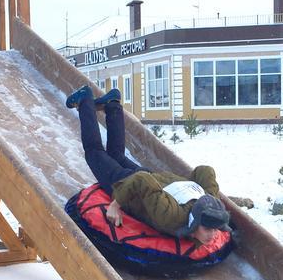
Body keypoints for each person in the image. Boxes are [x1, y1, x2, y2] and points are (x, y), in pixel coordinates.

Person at [65, 85, 230, 244]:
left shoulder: (208, 202)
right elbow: (141, 180)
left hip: (156, 180)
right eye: (208, 229)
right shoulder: (171, 217)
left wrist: (213, 202)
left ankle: (112, 105)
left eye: (215, 229)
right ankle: (85, 99)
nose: (213, 235)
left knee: (116, 155)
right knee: (94, 152)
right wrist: (115, 205)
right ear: (195, 222)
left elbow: (205, 171)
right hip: (134, 184)